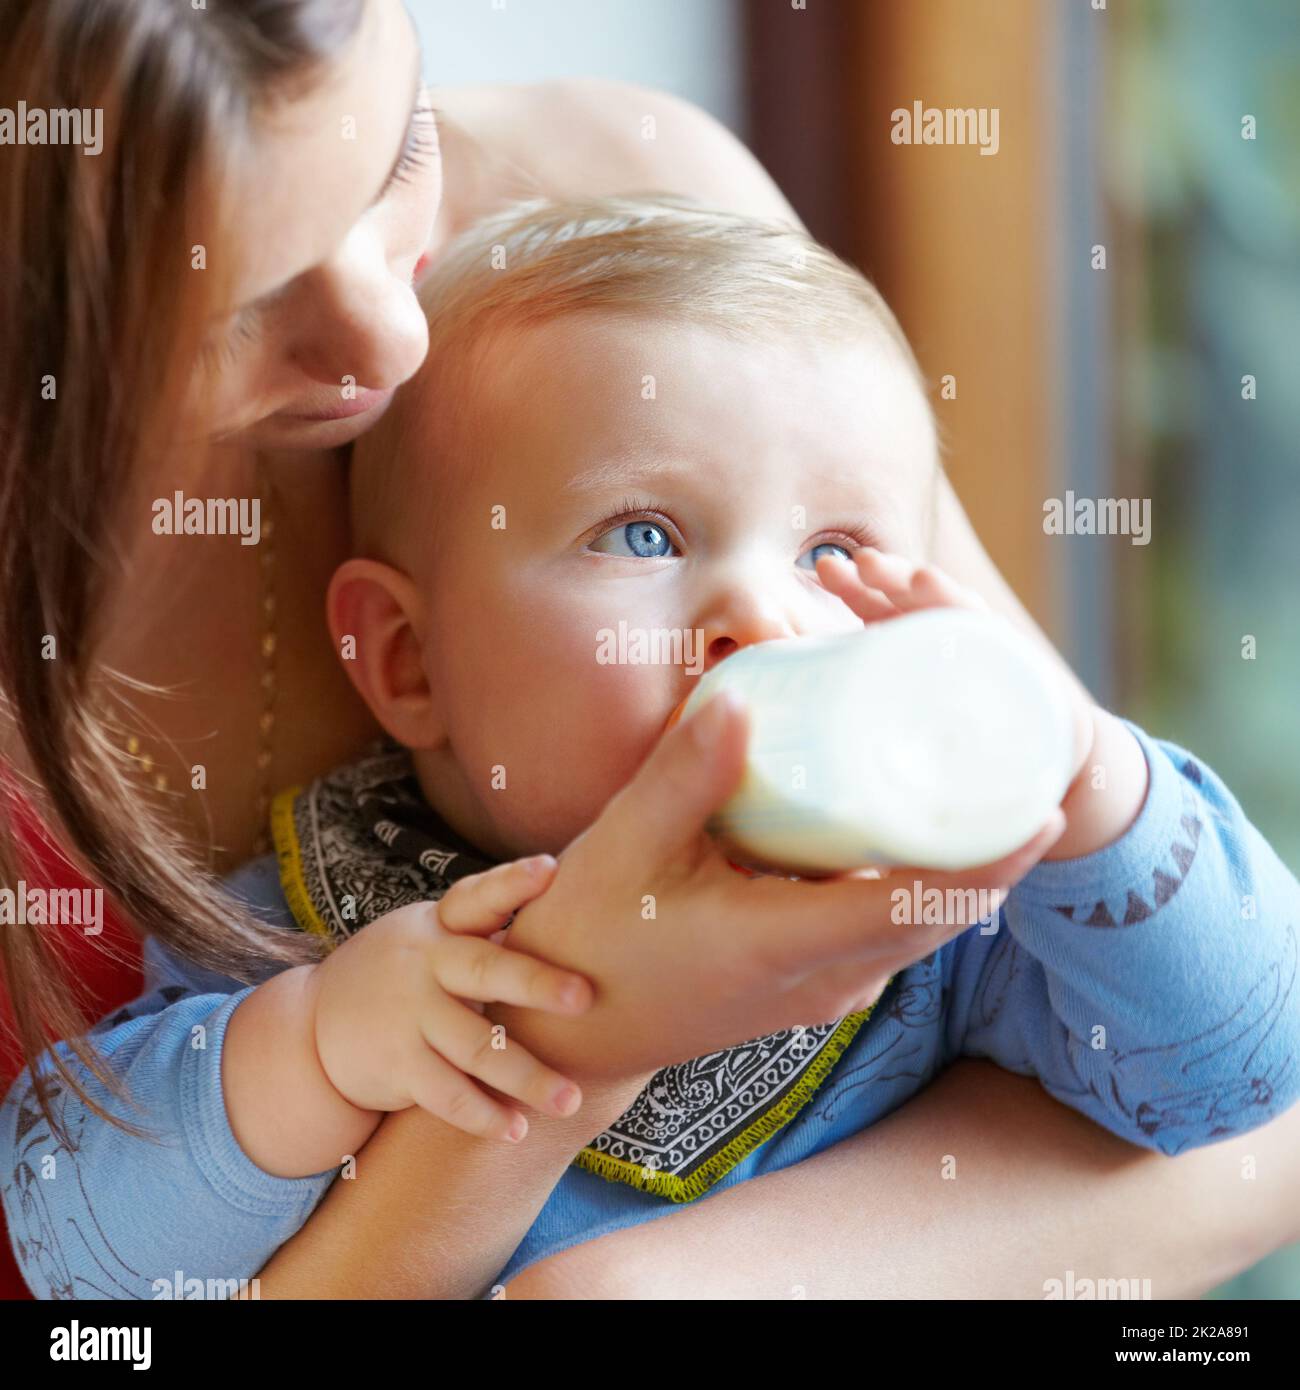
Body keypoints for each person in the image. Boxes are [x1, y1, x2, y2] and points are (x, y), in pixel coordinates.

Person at [0, 0, 1294, 1299]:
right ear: (404, 659)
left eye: (397, 153)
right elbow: (89, 1264)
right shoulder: (324, 930)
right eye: (642, 533)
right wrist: (316, 1055)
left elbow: (1242, 1082)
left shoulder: (940, 910)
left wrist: (1096, 788)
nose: (769, 619)